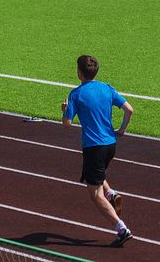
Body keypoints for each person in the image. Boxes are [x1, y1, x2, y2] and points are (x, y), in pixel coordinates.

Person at [62, 55, 135, 247]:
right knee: (94, 173)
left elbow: (67, 124)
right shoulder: (107, 88)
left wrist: (65, 109)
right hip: (110, 145)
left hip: (93, 147)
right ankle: (111, 194)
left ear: (79, 73)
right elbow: (129, 110)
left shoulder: (75, 95)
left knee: (95, 194)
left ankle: (122, 229)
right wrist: (121, 130)